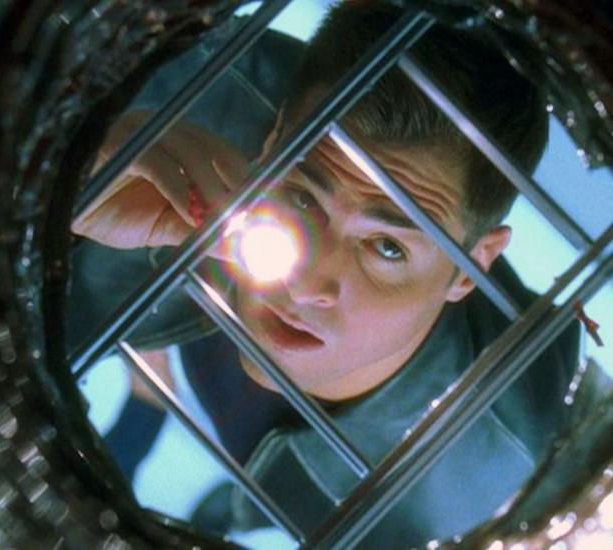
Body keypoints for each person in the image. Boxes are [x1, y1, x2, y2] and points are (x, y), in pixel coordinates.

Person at [72, 2, 580, 547]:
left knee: (264, 511)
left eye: (386, 247)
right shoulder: (182, 101)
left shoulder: (497, 490)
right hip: (205, 365)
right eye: (302, 198)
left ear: (472, 267)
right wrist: (61, 198)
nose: (302, 284)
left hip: (339, 491)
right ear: (273, 143)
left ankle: (241, 511)